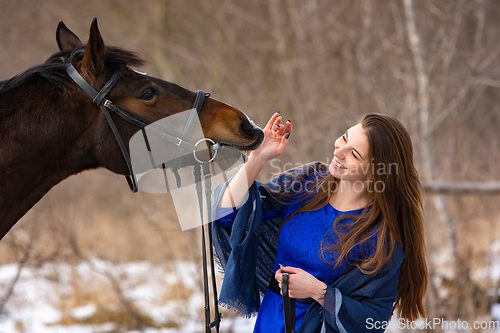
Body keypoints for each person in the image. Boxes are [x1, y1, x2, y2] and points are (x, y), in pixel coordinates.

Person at [211, 112, 428, 332]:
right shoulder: (308, 181)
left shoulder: (380, 236)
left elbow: (373, 320)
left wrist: (319, 292)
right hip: (269, 323)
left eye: (353, 153)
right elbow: (229, 213)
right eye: (344, 138)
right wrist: (257, 158)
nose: (338, 151)